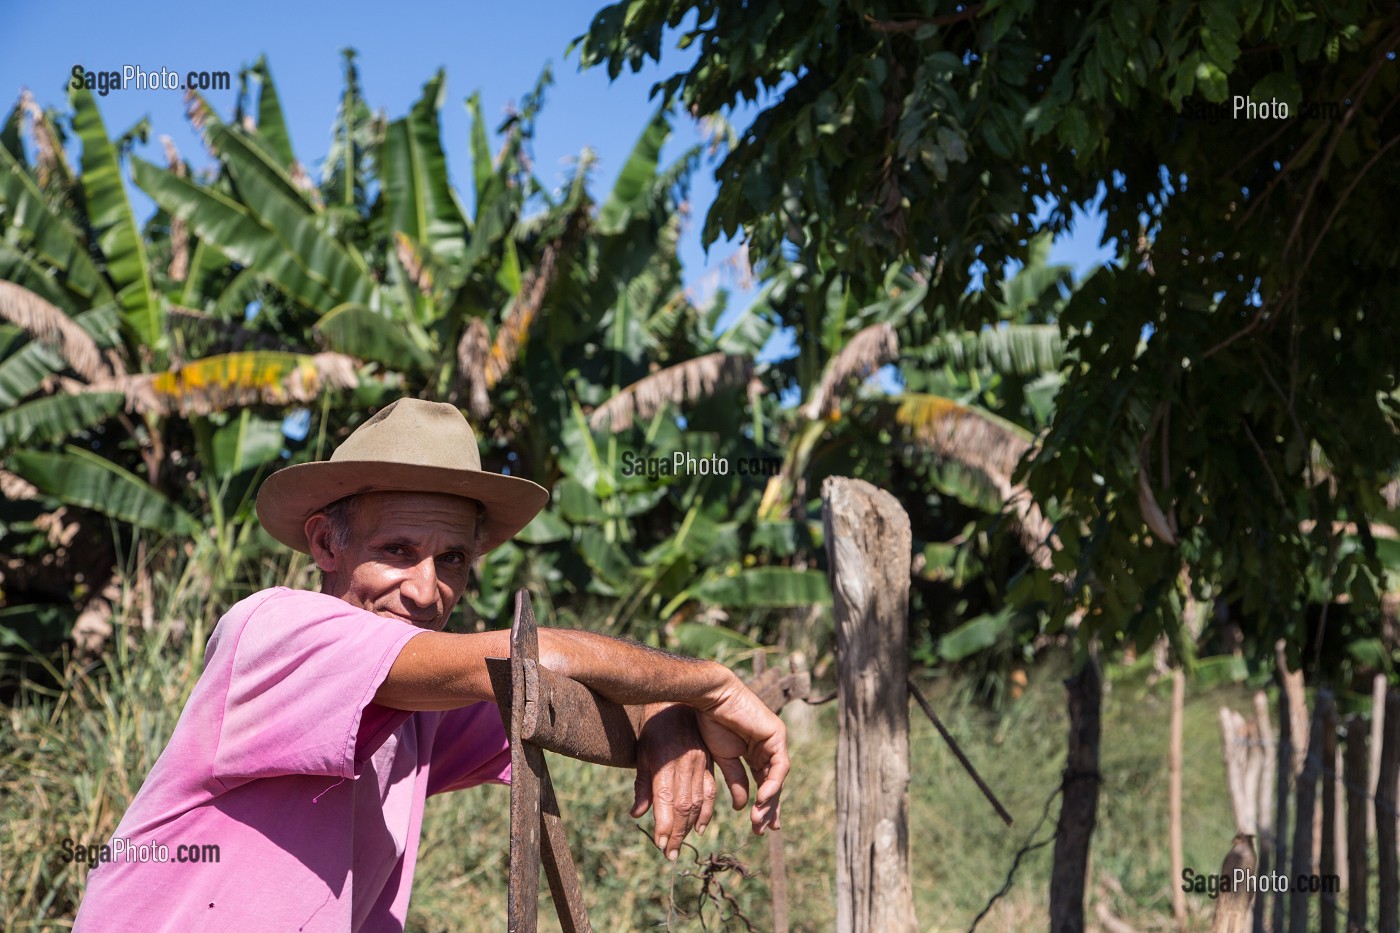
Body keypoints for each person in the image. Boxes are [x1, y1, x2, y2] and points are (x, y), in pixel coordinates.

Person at [74, 398, 788, 932]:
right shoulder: (277, 629)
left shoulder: (420, 700)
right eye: (397, 549)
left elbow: (562, 691)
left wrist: (668, 718)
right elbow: (535, 658)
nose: (427, 587)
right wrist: (713, 684)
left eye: (452, 559)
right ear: (325, 543)